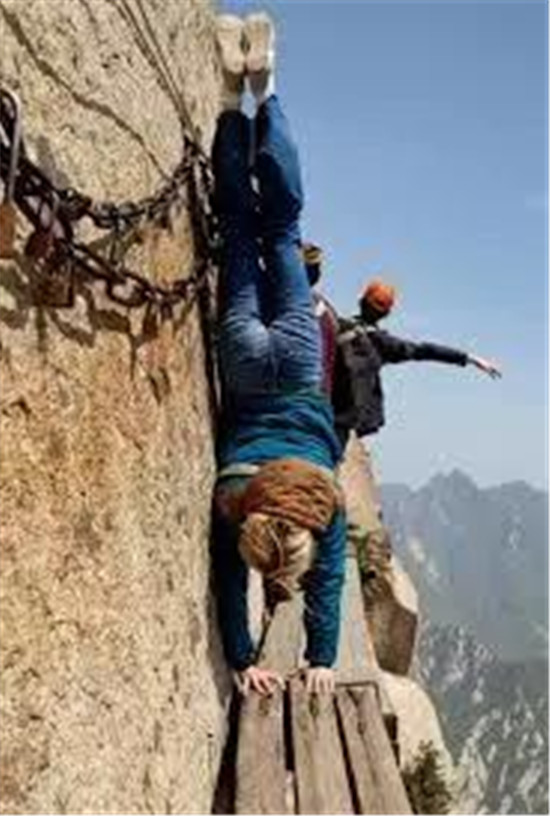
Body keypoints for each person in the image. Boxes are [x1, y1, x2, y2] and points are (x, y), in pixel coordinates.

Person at [211, 13, 346, 698]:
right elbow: (227, 576)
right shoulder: (234, 500)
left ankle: (267, 91)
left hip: (296, 369)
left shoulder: (324, 501)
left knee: (284, 229)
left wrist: (322, 657)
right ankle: (233, 101)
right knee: (242, 233)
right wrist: (242, 656)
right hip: (244, 366)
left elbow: (330, 578)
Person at [332, 278, 502, 447]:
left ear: (360, 302)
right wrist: (469, 358)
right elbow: (424, 350)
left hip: (323, 405)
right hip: (342, 419)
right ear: (387, 314)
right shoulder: (382, 344)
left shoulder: (334, 325)